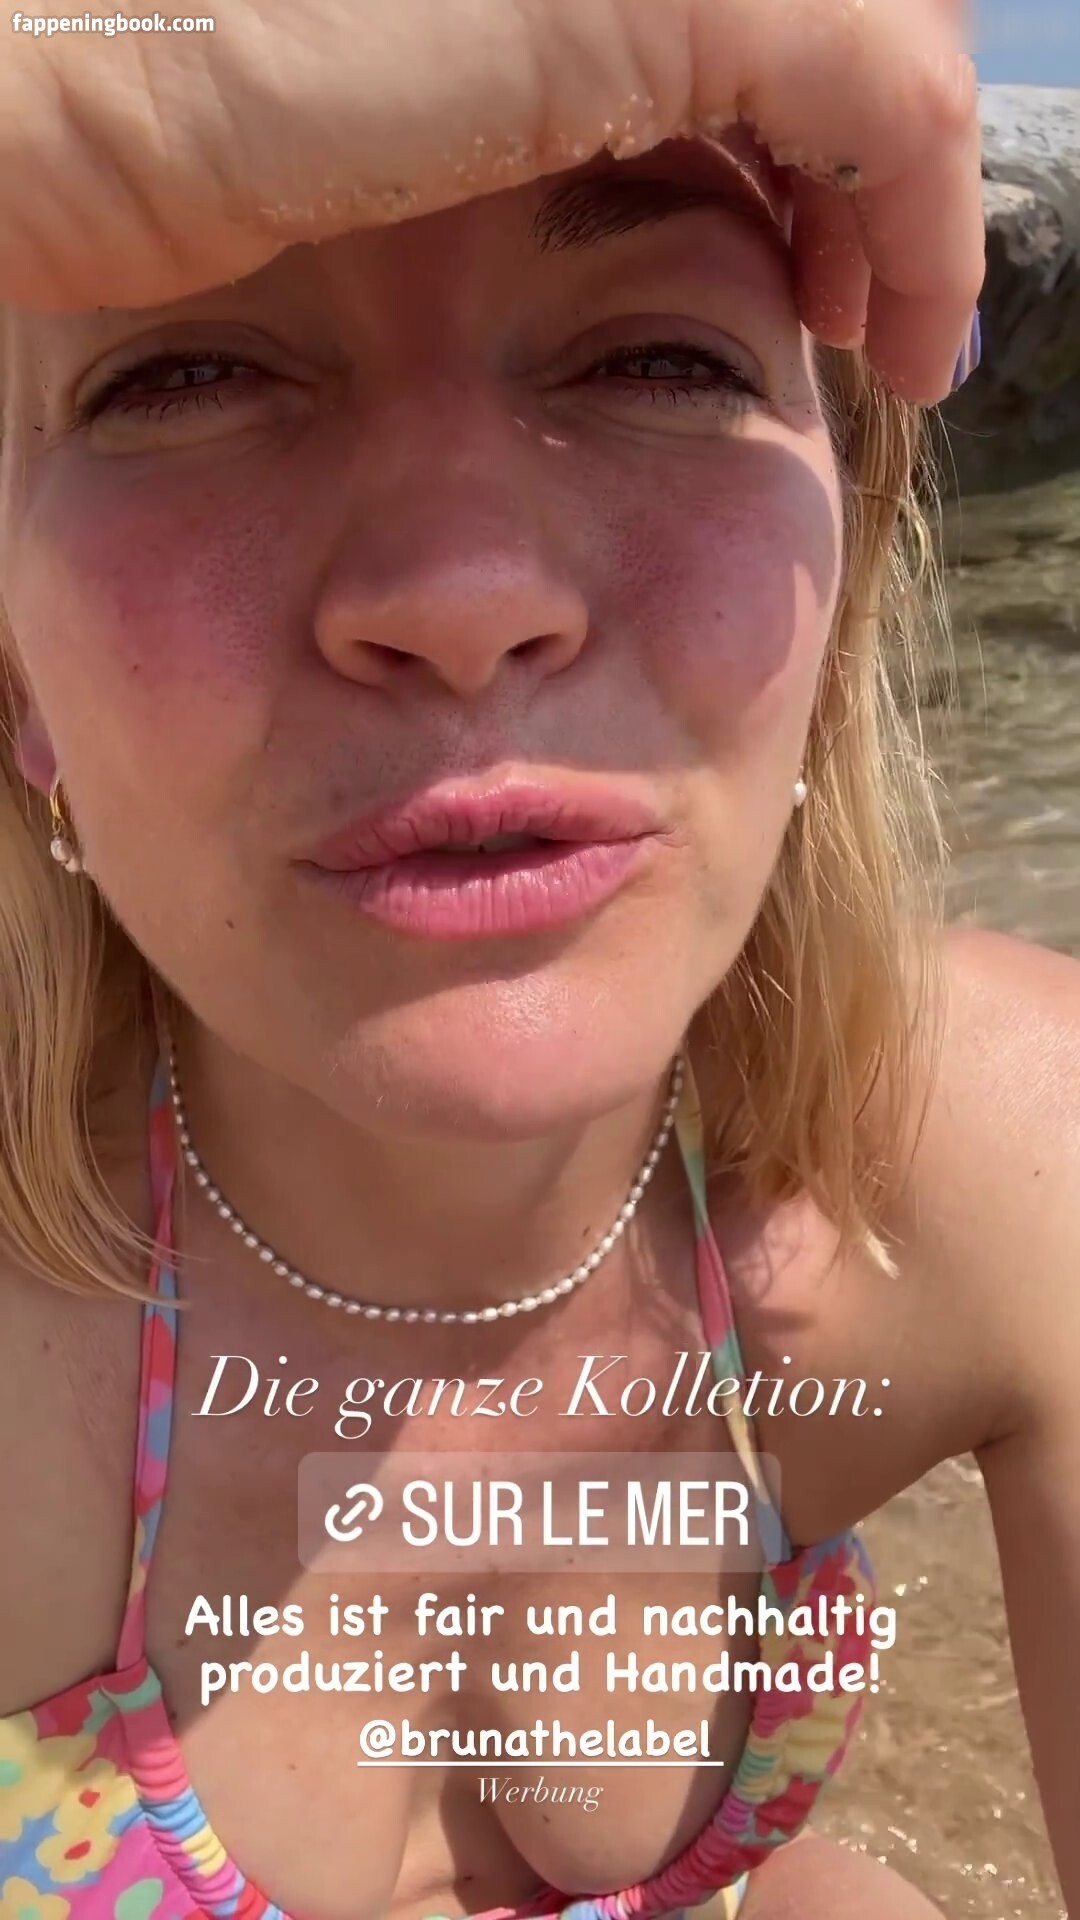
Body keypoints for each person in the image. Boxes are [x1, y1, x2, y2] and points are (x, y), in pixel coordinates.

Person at [0, 3, 1075, 1919]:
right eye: (185, 373)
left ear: (845, 557)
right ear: (15, 670)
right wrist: (107, 81)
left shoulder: (993, 1150)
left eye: (661, 357)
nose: (463, 595)